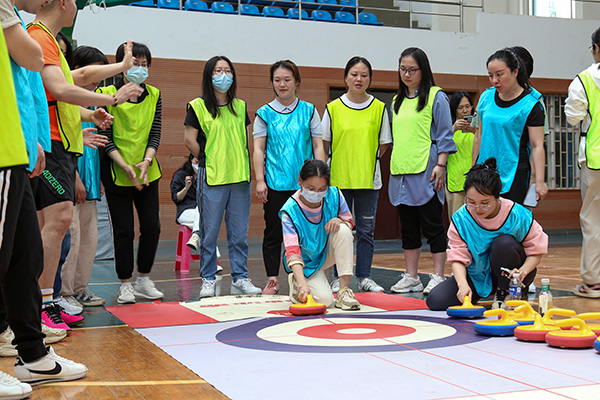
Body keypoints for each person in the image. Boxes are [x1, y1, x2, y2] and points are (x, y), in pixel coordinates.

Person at [27, 0, 142, 327]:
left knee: (55, 223)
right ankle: (42, 304)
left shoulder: (47, 38)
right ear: (63, 3)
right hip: (49, 144)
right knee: (58, 220)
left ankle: (45, 301)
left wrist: (120, 68)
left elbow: (79, 76)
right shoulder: (39, 36)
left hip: (59, 145)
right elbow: (60, 88)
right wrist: (112, 98)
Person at [0, 4, 87, 393]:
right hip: (4, 147)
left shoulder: (21, 22)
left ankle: (33, 356)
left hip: (17, 146)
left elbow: (28, 88)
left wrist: (33, 135)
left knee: (26, 256)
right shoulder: (20, 23)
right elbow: (32, 59)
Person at [184, 55, 261, 298]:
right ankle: (208, 278)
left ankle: (240, 277)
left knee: (239, 234)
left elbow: (244, 139)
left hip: (239, 178)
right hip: (212, 178)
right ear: (209, 76)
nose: (223, 75)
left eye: (227, 70)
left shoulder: (240, 106)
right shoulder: (197, 106)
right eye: (218, 71)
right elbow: (189, 139)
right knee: (209, 232)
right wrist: (206, 157)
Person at [426, 158, 548, 311]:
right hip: (477, 276)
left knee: (504, 243)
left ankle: (506, 292)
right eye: (471, 202)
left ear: (497, 197)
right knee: (436, 300)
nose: (478, 208)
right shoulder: (461, 218)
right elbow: (457, 257)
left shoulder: (517, 215)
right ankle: (480, 292)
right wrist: (462, 285)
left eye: (485, 203)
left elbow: (536, 252)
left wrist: (522, 271)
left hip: (513, 275)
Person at [97, 41, 164, 305]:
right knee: (123, 230)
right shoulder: (106, 94)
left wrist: (146, 161)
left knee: (152, 227)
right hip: (117, 172)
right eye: (135, 64)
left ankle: (144, 279)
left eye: (145, 65)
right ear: (123, 66)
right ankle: (125, 284)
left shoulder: (155, 95)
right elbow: (104, 136)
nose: (140, 69)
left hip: (146, 171)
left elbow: (155, 132)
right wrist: (124, 165)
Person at [253, 60, 326, 295]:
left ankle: (305, 277)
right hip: (275, 183)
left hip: (305, 186)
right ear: (272, 83)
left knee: (306, 232)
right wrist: (260, 180)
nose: (282, 84)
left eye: (287, 79)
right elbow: (258, 149)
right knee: (273, 232)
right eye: (277, 80)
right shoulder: (264, 113)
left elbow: (318, 145)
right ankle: (272, 279)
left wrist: (321, 178)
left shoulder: (309, 110)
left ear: (296, 82)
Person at [388, 47, 456, 295]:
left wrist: (441, 165)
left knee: (432, 225)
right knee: (408, 228)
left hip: (427, 170)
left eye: (412, 70)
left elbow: (445, 134)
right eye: (403, 69)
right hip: (401, 172)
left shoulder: (437, 97)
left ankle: (438, 275)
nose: (407, 74)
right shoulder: (396, 101)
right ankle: (412, 277)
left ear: (423, 70)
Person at [321, 56, 391, 294]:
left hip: (368, 180)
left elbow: (384, 144)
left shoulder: (379, 108)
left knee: (365, 232)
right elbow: (325, 142)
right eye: (354, 74)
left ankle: (364, 277)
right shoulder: (333, 108)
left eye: (364, 75)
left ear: (370, 79)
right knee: (337, 230)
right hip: (338, 181)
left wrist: (364, 159)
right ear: (346, 78)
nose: (359, 79)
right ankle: (336, 277)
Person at [61, 45, 120, 309]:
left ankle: (80, 289)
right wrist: (75, 178)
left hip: (92, 183)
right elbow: (63, 144)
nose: (98, 77)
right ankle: (63, 293)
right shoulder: (65, 97)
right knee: (71, 238)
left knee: (88, 239)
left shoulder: (95, 102)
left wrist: (98, 179)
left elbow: (99, 144)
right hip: (69, 180)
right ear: (78, 69)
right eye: (94, 70)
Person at [472, 48, 548, 205]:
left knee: (509, 218)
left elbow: (537, 145)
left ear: (515, 72)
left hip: (515, 173)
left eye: (499, 74)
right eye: (490, 75)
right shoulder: (486, 97)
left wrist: (539, 181)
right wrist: (473, 169)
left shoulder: (531, 104)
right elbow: (478, 136)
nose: (495, 80)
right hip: (484, 173)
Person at [281, 160, 360, 310]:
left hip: (326, 252)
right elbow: (293, 252)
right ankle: (297, 282)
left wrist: (339, 221)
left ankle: (344, 291)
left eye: (322, 189)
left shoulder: (335, 195)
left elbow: (349, 223)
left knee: (343, 229)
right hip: (307, 262)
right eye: (310, 188)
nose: (316, 194)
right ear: (300, 181)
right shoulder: (290, 211)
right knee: (325, 301)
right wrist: (302, 283)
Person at [565, 27, 600, 298]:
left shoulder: (584, 79)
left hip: (595, 158)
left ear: (596, 48)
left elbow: (572, 117)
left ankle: (594, 282)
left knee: (593, 219)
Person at [170, 154, 222, 273]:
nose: (197, 165)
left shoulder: (207, 175)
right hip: (185, 212)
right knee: (204, 220)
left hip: (201, 213)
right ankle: (212, 261)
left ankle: (196, 235)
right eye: (196, 161)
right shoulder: (180, 175)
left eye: (200, 162)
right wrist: (186, 187)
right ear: (191, 160)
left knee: (203, 213)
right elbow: (176, 198)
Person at [446, 91, 475, 219]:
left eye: (468, 106)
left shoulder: (479, 128)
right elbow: (440, 146)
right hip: (455, 180)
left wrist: (474, 130)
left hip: (475, 180)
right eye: (460, 108)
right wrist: (453, 129)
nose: (465, 111)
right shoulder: (448, 128)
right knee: (456, 219)